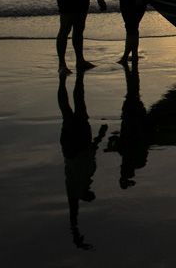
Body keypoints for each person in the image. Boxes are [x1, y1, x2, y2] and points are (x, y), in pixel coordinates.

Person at [58, 71, 107, 250]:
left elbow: (73, 213)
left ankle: (62, 81)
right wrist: (101, 134)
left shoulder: (74, 190)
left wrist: (75, 232)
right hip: (81, 143)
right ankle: (77, 77)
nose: (90, 195)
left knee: (67, 111)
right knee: (79, 105)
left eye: (89, 197)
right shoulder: (89, 175)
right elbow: (91, 152)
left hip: (72, 148)